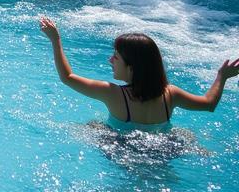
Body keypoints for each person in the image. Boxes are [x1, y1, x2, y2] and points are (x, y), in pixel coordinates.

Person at [39, 17, 239, 129]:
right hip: (164, 149)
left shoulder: (113, 93)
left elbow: (67, 78)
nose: (110, 60)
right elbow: (209, 104)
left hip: (125, 149)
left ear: (131, 68)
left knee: (90, 127)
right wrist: (222, 76)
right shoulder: (171, 94)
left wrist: (55, 40)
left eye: (116, 57)